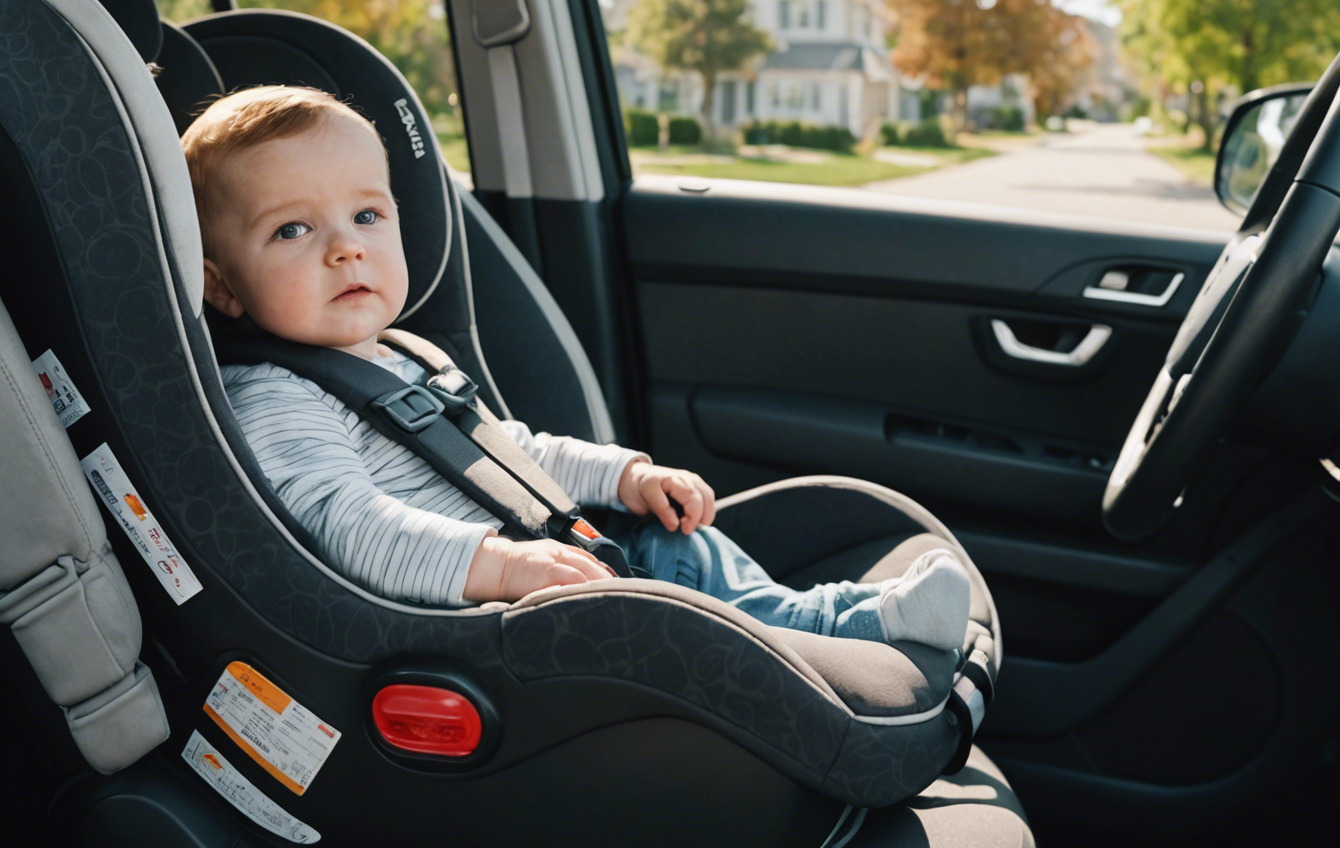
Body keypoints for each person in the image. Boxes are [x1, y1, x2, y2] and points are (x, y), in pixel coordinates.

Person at [184, 85, 970, 649]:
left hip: (556, 557)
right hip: (490, 621)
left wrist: (622, 474)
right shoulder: (276, 397)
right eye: (292, 230)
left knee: (675, 537)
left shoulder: (403, 355)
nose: (345, 246)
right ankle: (837, 635)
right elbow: (344, 523)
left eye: (366, 216)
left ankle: (828, 623)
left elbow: (510, 453)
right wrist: (499, 565)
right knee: (685, 597)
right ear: (220, 284)